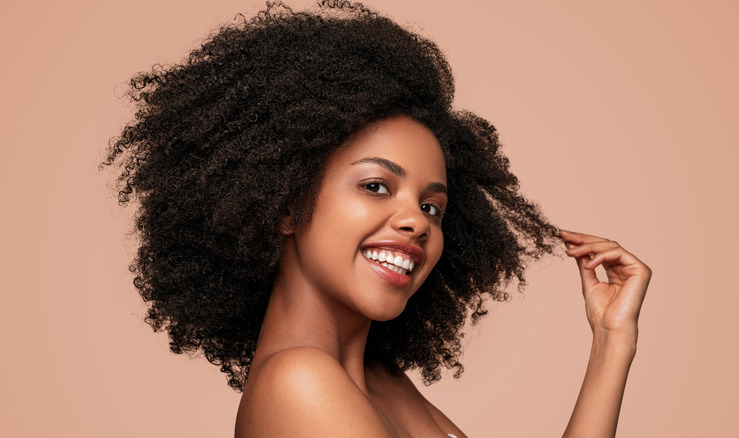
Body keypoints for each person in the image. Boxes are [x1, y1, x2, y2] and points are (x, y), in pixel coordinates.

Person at [104, 1, 651, 436]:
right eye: (375, 186)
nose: (415, 221)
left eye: (432, 206)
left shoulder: (378, 382)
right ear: (286, 203)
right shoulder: (300, 384)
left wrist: (611, 342)